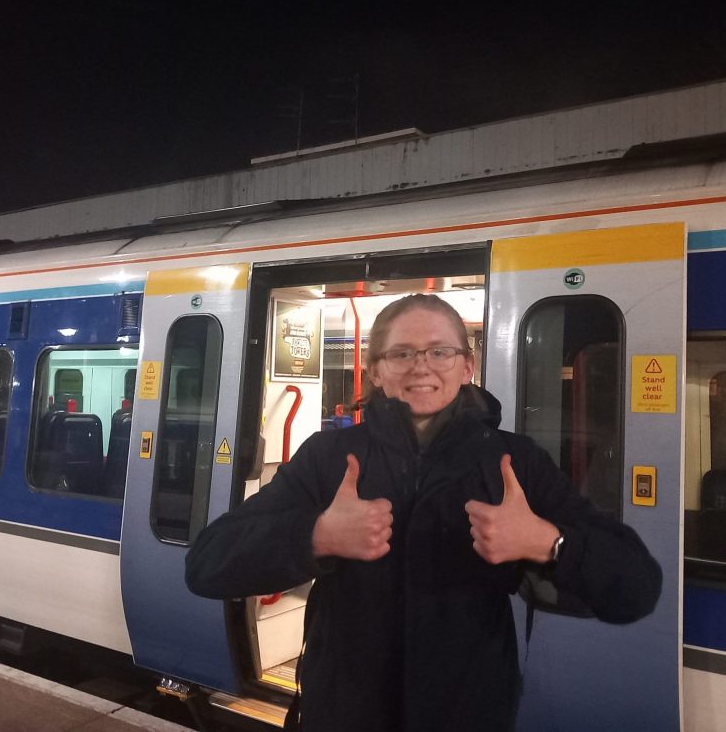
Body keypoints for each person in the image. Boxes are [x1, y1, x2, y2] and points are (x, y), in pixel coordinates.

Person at [186, 294, 661, 732]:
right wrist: (316, 536)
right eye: (402, 353)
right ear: (375, 370)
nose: (421, 367)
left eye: (440, 351)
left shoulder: (513, 463)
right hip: (342, 715)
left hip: (467, 716)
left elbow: (636, 588)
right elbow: (206, 565)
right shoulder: (329, 457)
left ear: (467, 365)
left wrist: (548, 543)